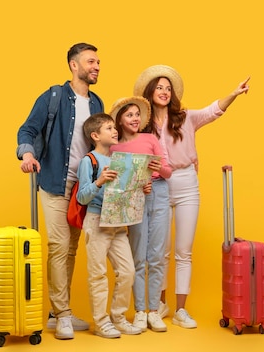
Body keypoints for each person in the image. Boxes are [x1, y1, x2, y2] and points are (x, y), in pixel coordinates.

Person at [134, 64, 250, 328]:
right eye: (159, 87)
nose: (164, 91)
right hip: (156, 185)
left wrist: (233, 93)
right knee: (159, 251)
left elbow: (213, 111)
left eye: (168, 88)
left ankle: (181, 310)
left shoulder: (186, 118)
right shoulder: (141, 123)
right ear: (150, 92)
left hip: (186, 183)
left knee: (183, 251)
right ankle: (159, 304)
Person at [16, 42, 103, 340]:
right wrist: (27, 155)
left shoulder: (97, 103)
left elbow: (100, 145)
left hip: (83, 187)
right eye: (91, 62)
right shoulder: (54, 96)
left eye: (98, 63)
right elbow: (27, 129)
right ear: (73, 65)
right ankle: (63, 313)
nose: (96, 67)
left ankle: (57, 312)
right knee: (57, 245)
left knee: (70, 250)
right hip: (54, 181)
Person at [109, 96, 173, 332]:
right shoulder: (114, 147)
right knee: (138, 256)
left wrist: (159, 169)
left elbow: (168, 172)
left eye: (137, 114)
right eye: (129, 115)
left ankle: (154, 311)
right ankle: (139, 311)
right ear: (120, 120)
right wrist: (135, 186)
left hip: (158, 192)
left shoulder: (150, 139)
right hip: (132, 197)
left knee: (156, 255)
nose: (135, 119)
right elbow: (115, 184)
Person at [77, 113, 143, 338]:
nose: (115, 131)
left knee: (127, 271)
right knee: (98, 275)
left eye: (115, 127)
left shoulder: (120, 159)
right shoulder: (90, 161)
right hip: (96, 222)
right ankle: (101, 322)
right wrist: (99, 181)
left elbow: (123, 191)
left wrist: (140, 189)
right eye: (108, 128)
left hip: (117, 223)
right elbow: (82, 198)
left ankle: (118, 317)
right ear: (95, 135)